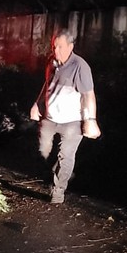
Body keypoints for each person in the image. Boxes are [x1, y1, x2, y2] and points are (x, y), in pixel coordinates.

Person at [29, 29, 101, 204]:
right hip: (50, 117)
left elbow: (88, 95)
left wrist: (91, 120)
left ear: (71, 46)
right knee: (43, 150)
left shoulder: (80, 66)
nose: (56, 51)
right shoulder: (51, 62)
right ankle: (56, 173)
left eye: (60, 47)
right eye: (54, 47)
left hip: (72, 121)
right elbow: (47, 85)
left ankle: (58, 192)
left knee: (66, 156)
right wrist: (36, 104)